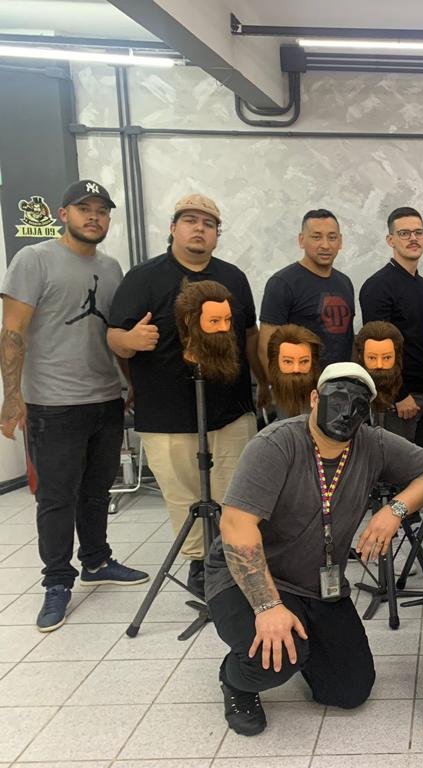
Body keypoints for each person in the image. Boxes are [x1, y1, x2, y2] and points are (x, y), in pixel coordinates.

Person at [204, 362, 423, 736]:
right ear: (315, 398)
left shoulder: (373, 443)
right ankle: (236, 679)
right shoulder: (275, 444)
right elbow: (236, 525)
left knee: (349, 690)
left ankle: (302, 646)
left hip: (317, 584)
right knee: (274, 660)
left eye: (358, 405)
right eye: (337, 400)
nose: (346, 413)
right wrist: (267, 607)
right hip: (249, 577)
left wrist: (395, 510)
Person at [0, 180, 148, 632]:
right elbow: (12, 331)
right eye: (85, 208)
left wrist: (128, 383)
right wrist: (11, 397)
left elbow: (114, 333)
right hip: (54, 403)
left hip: (104, 398)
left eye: (102, 210)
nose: (94, 217)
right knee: (56, 498)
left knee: (97, 491)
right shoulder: (34, 259)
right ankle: (57, 582)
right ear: (63, 214)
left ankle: (97, 561)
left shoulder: (111, 267)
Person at [107, 193, 262, 596]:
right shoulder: (142, 278)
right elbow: (115, 336)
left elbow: (249, 335)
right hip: (166, 412)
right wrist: (129, 341)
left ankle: (233, 563)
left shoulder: (233, 277)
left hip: (230, 410)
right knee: (183, 497)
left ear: (216, 234)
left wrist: (262, 384)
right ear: (173, 228)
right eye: (190, 221)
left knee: (235, 493)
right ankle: (198, 565)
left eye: (208, 224)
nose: (199, 229)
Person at [359, 206, 423, 448]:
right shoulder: (378, 287)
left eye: (418, 232)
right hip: (397, 402)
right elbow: (376, 352)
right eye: (404, 233)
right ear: (390, 240)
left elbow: (419, 340)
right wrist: (399, 395)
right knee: (395, 467)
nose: (413, 238)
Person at [258, 209, 355, 378]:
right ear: (301, 240)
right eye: (316, 237)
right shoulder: (282, 283)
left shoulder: (345, 282)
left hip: (341, 384)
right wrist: (278, 387)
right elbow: (266, 347)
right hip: (298, 385)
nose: (325, 245)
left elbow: (348, 338)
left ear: (340, 241)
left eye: (332, 237)